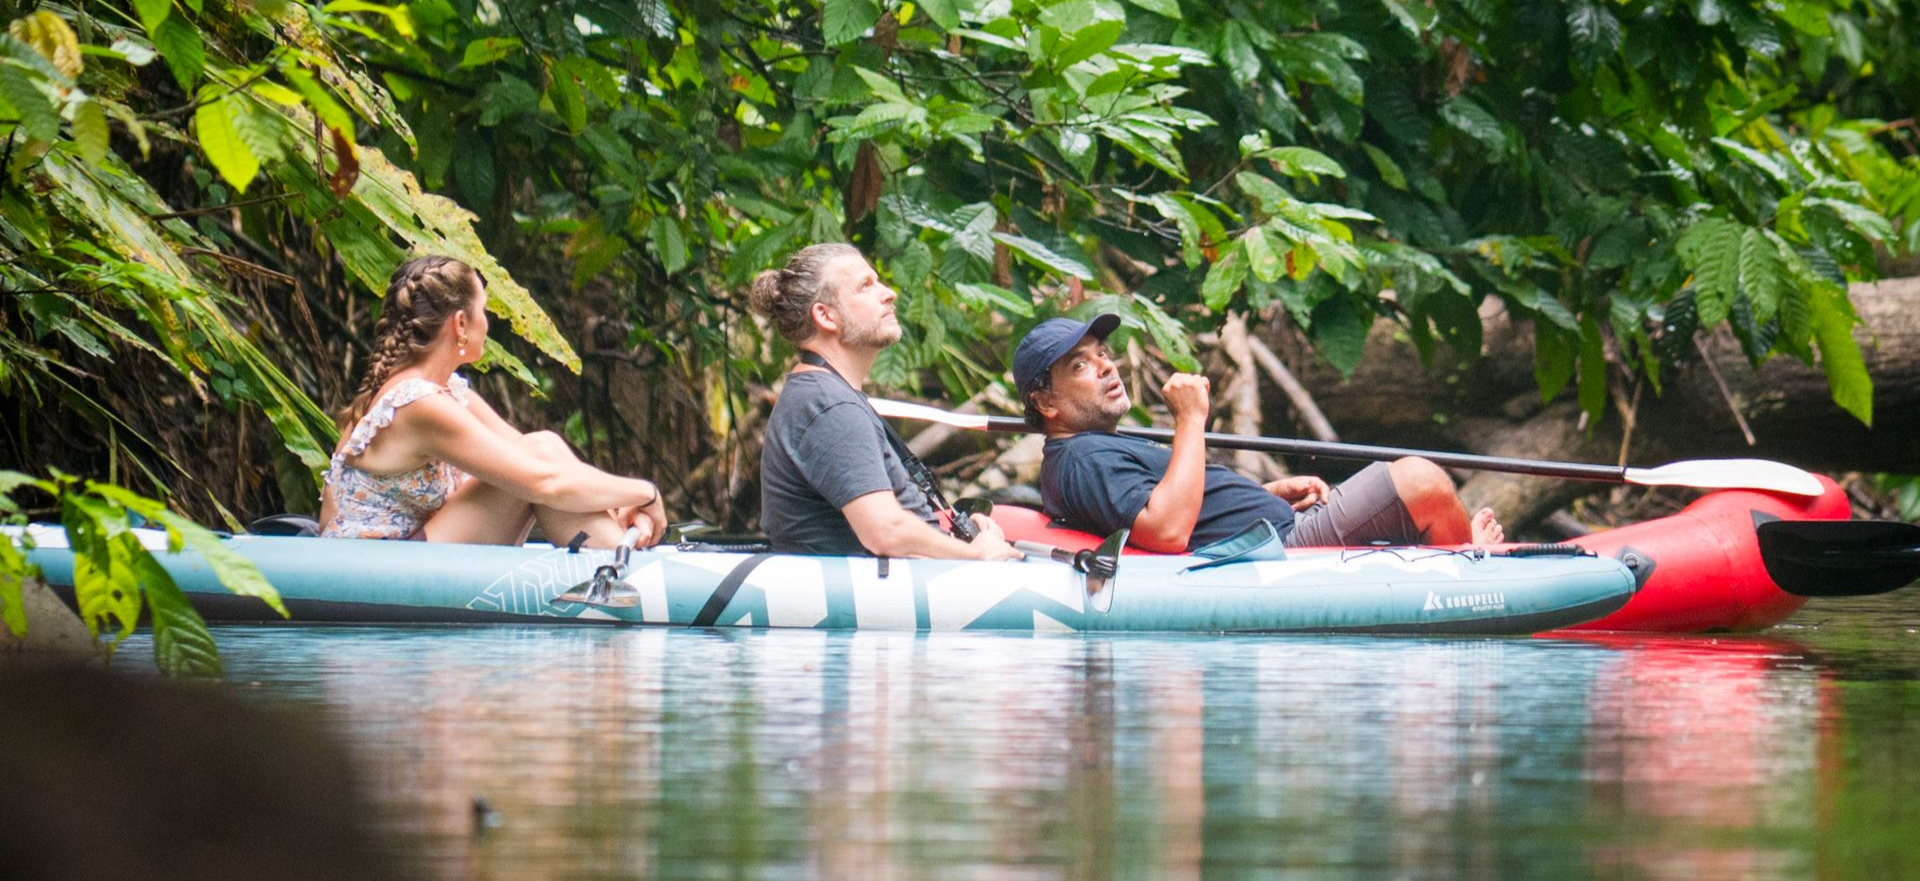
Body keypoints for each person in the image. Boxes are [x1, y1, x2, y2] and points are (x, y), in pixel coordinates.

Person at [1014, 314, 1504, 553]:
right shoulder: (1081, 458)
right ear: (1045, 402)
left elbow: (1173, 505)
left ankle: (1452, 554)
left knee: (1413, 484)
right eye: (1080, 364)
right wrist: (1190, 420)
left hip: (1277, 528)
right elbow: (1165, 530)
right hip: (1276, 553)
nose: (1105, 365)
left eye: (1102, 352)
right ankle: (1469, 566)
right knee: (1420, 479)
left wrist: (1264, 493)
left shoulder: (1094, 448)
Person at [318, 256, 665, 548]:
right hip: (379, 572)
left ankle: (621, 548)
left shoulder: (444, 391)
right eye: (484, 310)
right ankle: (629, 565)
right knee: (540, 463)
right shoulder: (419, 404)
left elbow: (538, 456)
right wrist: (644, 493)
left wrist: (619, 501)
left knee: (542, 444)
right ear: (461, 324)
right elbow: (545, 483)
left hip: (411, 553)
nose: (489, 323)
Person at [750, 243, 1020, 560]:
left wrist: (962, 539)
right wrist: (976, 556)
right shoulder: (827, 405)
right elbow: (884, 532)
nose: (889, 293)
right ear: (825, 316)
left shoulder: (829, 394)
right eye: (865, 286)